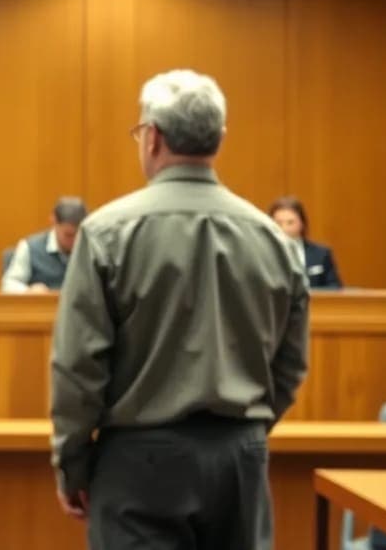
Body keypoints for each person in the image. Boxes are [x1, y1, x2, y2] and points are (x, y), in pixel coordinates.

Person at [50, 70, 309, 550]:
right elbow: (291, 364)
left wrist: (73, 464)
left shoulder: (106, 233)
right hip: (240, 457)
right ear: (219, 140)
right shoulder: (274, 240)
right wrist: (245, 430)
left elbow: (78, 368)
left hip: (138, 460)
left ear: (152, 138)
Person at [1, 197, 87, 293]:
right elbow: (9, 284)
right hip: (42, 307)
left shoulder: (89, 248)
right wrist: (29, 291)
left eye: (78, 234)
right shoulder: (30, 247)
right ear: (54, 222)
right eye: (68, 235)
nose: (74, 240)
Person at [269, 196, 343, 289]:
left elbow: (335, 288)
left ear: (302, 223)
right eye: (279, 223)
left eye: (290, 222)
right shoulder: (262, 255)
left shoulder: (321, 254)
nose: (284, 228)